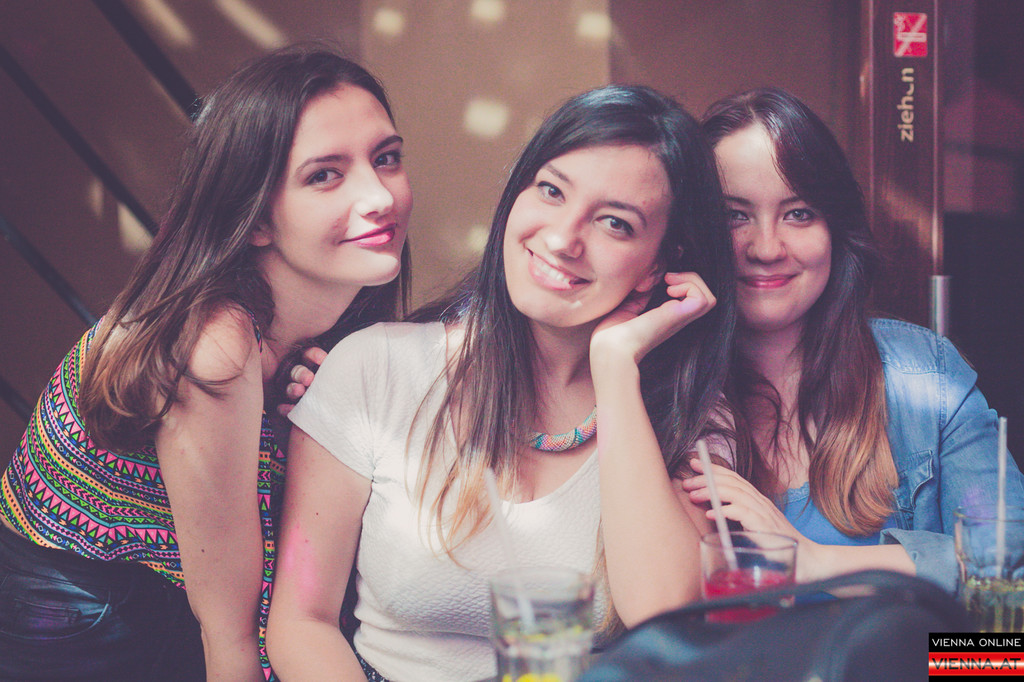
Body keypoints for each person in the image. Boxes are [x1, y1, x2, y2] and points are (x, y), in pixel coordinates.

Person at [267, 84, 735, 681]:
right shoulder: (375, 366)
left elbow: (663, 614)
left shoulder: (689, 416)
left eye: (615, 223)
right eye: (551, 191)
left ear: (658, 263)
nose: (562, 239)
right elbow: (302, 621)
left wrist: (616, 369)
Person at [0, 45, 411, 681]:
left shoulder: (333, 319)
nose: (379, 195)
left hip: (150, 594)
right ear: (256, 220)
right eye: (325, 175)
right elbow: (231, 635)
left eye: (385, 158)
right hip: (82, 619)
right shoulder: (214, 345)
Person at [683, 86, 1024, 592]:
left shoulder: (924, 374)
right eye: (735, 215)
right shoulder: (669, 392)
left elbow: (1010, 571)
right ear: (696, 231)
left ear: (836, 229)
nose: (766, 248)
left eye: (798, 213)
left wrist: (818, 562)